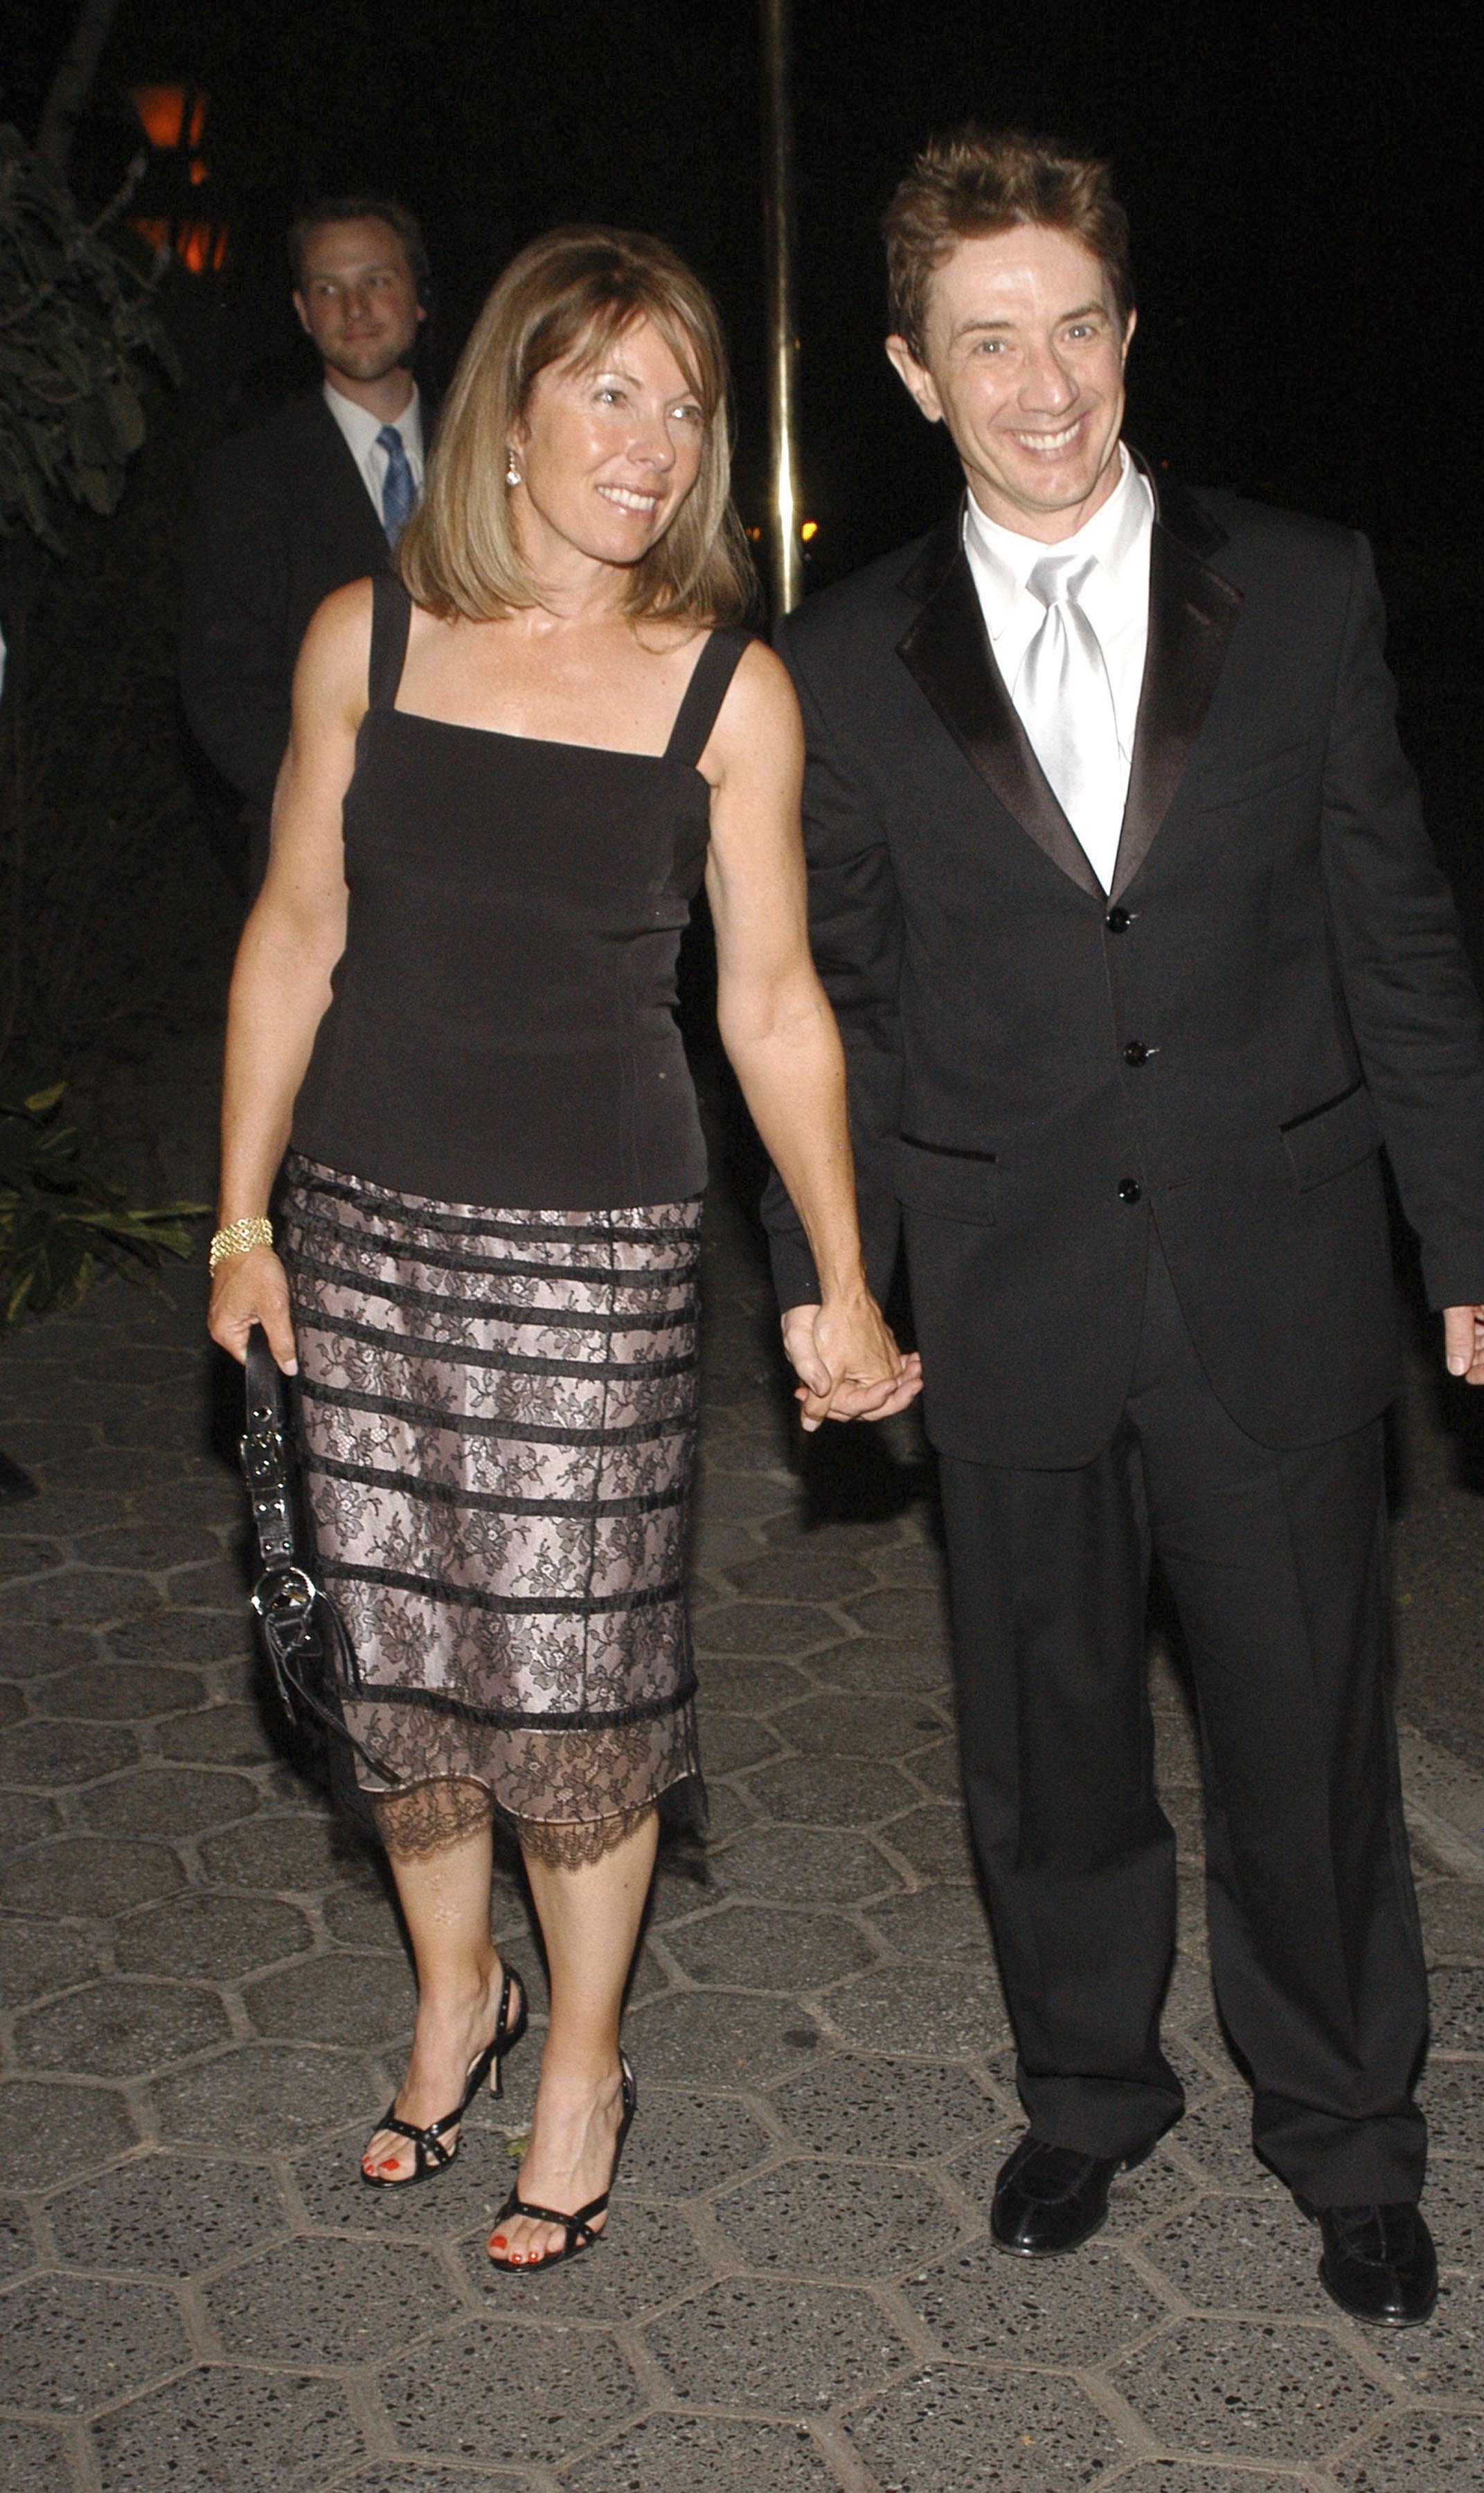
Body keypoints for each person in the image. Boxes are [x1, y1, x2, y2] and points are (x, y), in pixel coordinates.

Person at [762, 127, 1484, 2328]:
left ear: (1129, 330)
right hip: (1003, 1287)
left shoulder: (1301, 588)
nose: (1043, 386)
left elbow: (1393, 930)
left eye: (1076, 328)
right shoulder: (839, 659)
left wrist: (1471, 1228)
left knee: (1308, 1739)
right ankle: (1088, 2091)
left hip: (1269, 1269)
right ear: (912, 370)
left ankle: (1347, 2132)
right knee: (1046, 1747)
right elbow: (841, 1003)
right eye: (988, 342)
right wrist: (834, 1283)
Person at [208, 226, 919, 2273]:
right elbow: (293, 930)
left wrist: (839, 1272)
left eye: (680, 404)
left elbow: (769, 1005)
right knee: (399, 1659)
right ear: (507, 410)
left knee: (570, 1684)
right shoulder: (366, 639)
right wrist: (241, 1216)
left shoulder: (724, 686)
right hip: (359, 1221)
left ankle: (585, 2061)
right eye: (608, 389)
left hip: (594, 1251)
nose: (651, 438)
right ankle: (457, 2001)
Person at [181, 196, 431, 884]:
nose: (355, 308)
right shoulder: (249, 477)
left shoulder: (497, 460)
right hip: (321, 861)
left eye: (377, 280)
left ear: (418, 297)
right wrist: (347, 810)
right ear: (301, 312)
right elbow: (225, 691)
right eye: (328, 288)